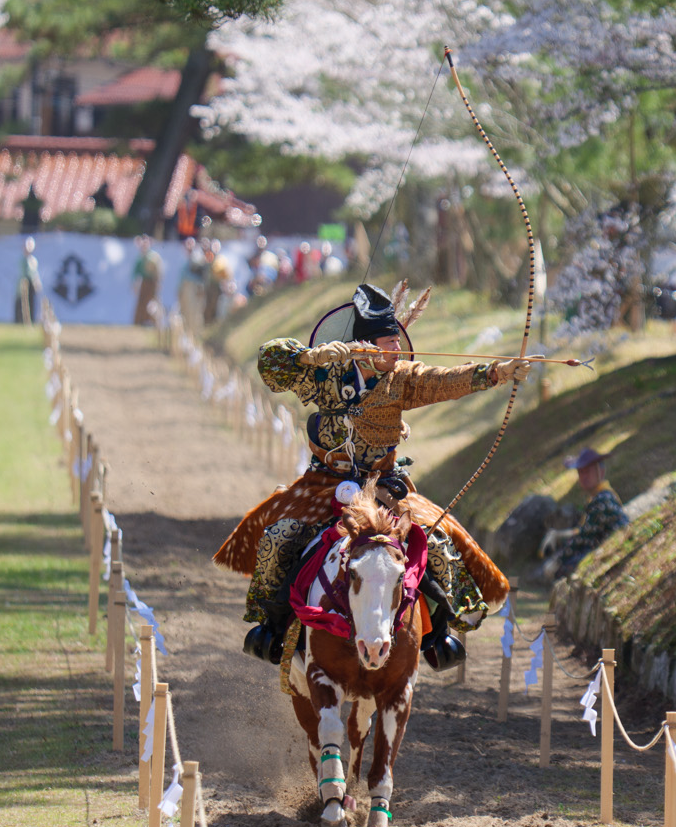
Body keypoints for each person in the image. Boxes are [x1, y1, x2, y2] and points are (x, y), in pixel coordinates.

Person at [218, 283, 526, 669]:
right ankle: (270, 627)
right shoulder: (325, 374)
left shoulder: (403, 378)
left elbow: (448, 379)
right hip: (326, 482)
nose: (397, 350)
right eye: (388, 341)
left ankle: (441, 631)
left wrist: (497, 372)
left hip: (383, 487)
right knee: (279, 537)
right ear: (364, 345)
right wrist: (310, 356)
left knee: (438, 540)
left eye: (397, 341)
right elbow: (270, 362)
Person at [545, 448, 629, 577]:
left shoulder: (602, 500)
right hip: (608, 549)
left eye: (588, 472)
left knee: (565, 568)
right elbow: (584, 530)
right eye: (581, 473)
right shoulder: (597, 498)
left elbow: (584, 537)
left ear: (600, 472)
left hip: (616, 551)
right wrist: (560, 535)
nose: (584, 477)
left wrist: (558, 561)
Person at [130, 237, 162, 327]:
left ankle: (154, 322)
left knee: (153, 302)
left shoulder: (154, 257)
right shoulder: (140, 258)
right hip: (144, 283)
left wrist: (158, 283)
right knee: (142, 302)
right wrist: (135, 283)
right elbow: (136, 272)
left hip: (152, 283)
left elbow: (158, 272)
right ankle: (139, 322)